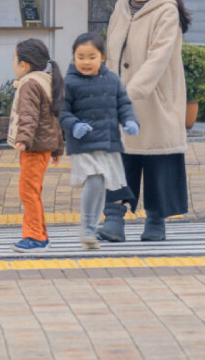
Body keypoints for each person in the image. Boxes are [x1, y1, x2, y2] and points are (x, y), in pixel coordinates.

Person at [101, 0, 191, 243]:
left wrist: (131, 92)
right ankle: (114, 218)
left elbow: (158, 59)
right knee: (119, 158)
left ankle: (156, 221)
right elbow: (112, 48)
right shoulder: (122, 5)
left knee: (156, 160)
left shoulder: (166, 10)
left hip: (155, 101)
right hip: (119, 96)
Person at [60, 32, 139, 249]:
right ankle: (86, 226)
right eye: (81, 56)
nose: (86, 62)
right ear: (74, 57)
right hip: (83, 143)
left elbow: (124, 105)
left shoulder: (113, 80)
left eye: (91, 56)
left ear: (102, 57)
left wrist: (130, 121)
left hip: (108, 143)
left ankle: (92, 229)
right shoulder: (69, 82)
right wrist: (73, 125)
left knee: (102, 185)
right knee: (94, 180)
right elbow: (61, 111)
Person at [7, 35, 65, 251]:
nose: (13, 65)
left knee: (27, 192)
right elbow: (53, 119)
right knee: (33, 191)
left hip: (34, 148)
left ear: (24, 64)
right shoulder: (46, 80)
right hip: (43, 147)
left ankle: (35, 237)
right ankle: (39, 234)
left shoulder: (30, 84)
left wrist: (22, 139)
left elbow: (28, 115)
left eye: (14, 60)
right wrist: (58, 147)